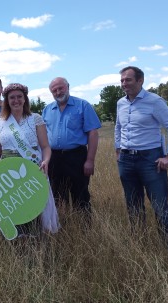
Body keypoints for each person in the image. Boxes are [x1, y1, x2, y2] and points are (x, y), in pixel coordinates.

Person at [115, 66, 168, 254]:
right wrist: (118, 150)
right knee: (133, 206)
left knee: (160, 207)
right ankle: (140, 248)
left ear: (140, 81)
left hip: (151, 160)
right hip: (126, 160)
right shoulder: (120, 103)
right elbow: (118, 127)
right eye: (122, 80)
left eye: (128, 80)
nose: (124, 84)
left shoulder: (154, 101)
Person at [0, 83, 59, 237]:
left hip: (32, 168)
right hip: (8, 173)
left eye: (19, 97)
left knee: (33, 205)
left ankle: (36, 240)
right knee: (13, 205)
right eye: (12, 97)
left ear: (25, 99)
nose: (16, 100)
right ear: (7, 100)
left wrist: (45, 161)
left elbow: (45, 147)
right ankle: (16, 242)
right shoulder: (0, 123)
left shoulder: (35, 119)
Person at [42, 77, 101, 225]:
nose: (58, 92)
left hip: (76, 157)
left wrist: (90, 160)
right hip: (54, 158)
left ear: (68, 87)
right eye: (54, 90)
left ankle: (84, 228)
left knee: (80, 194)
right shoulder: (47, 110)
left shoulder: (83, 106)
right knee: (57, 195)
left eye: (60, 88)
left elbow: (93, 133)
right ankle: (64, 227)